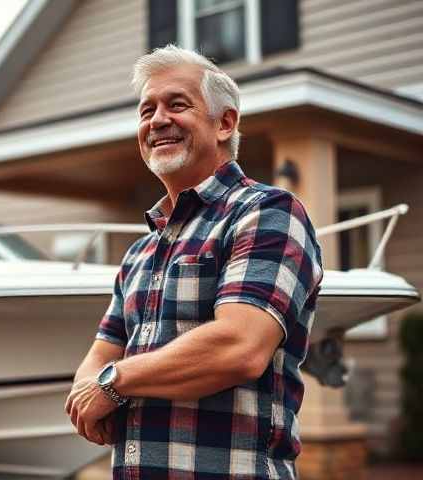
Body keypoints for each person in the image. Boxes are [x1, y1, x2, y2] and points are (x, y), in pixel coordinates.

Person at [65, 45, 324, 479]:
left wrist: (112, 383)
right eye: (146, 110)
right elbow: (96, 359)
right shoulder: (140, 253)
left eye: (177, 104)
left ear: (225, 123)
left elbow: (239, 347)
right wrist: (95, 385)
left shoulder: (266, 213)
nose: (157, 120)